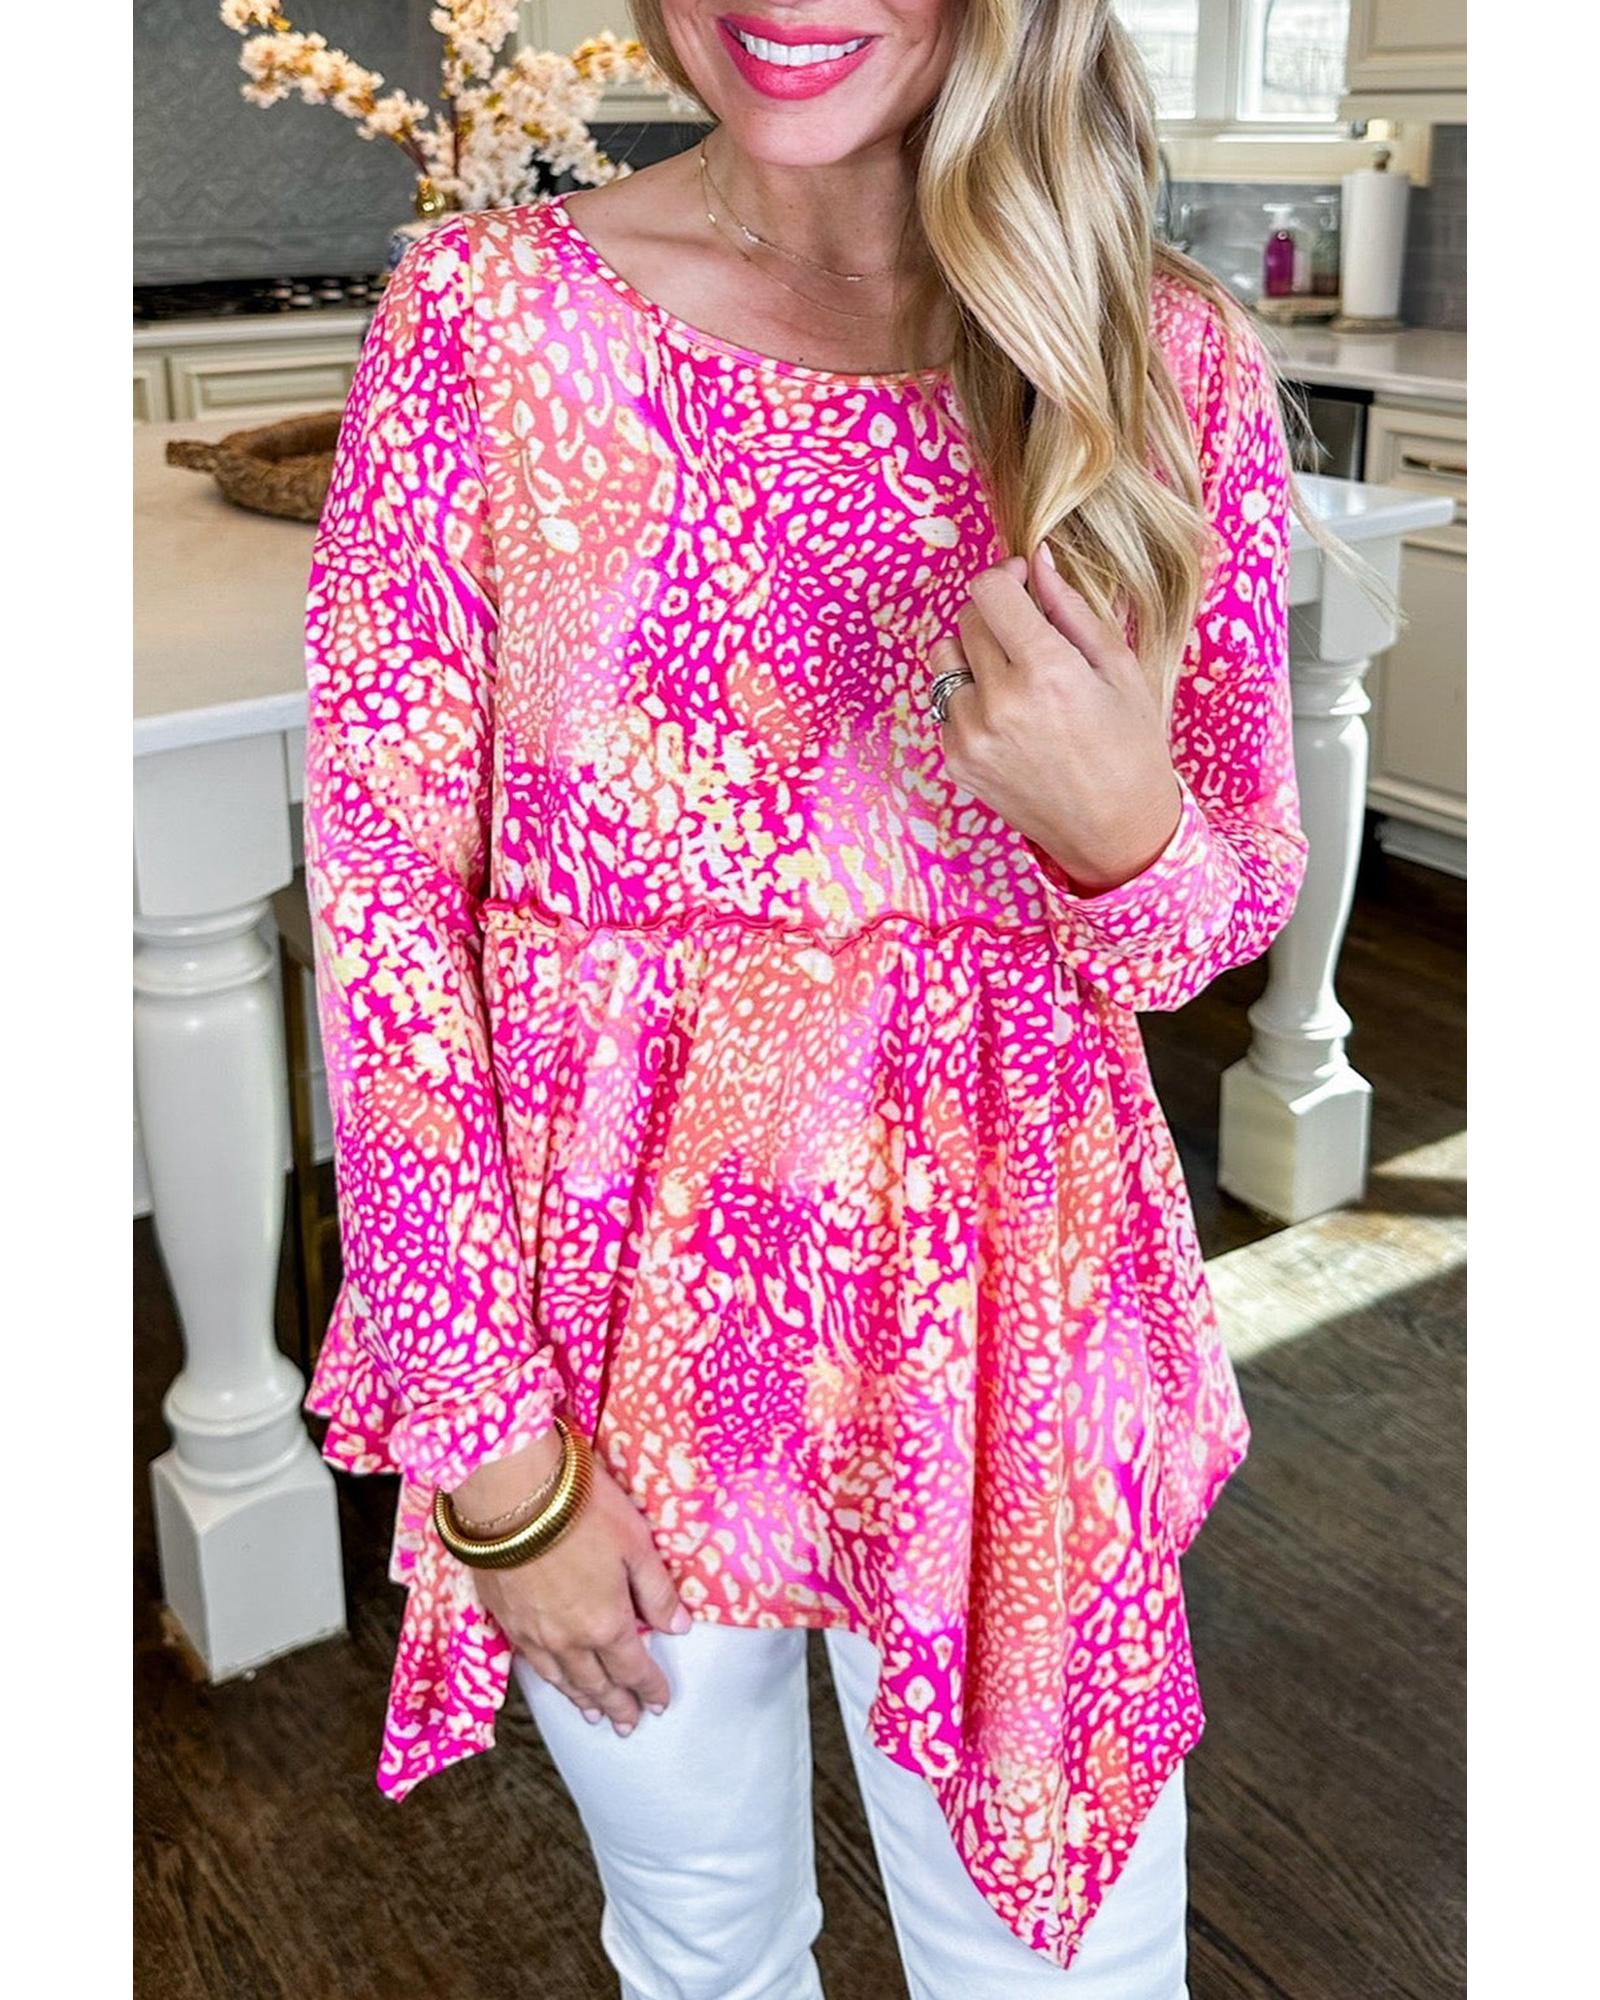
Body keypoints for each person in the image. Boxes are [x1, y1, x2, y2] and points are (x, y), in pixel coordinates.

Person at [300, 3, 1372, 1993]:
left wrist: (1120, 828)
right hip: (613, 1328)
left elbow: (1204, 935)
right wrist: (497, 1465)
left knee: (1065, 1963)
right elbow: (384, 927)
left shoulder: (1157, 358)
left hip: (1015, 1318)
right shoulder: (485, 322)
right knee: (703, 1943)